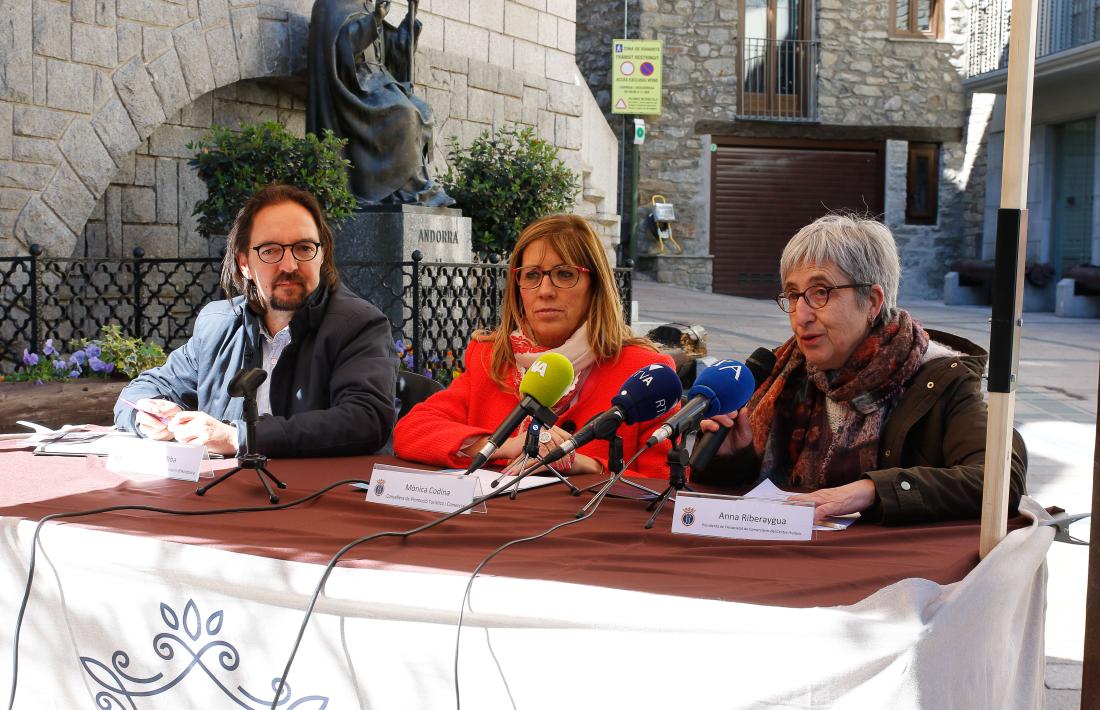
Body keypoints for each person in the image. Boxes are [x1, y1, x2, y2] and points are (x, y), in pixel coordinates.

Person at [697, 214, 1027, 524]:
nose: (801, 315)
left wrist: (872, 490)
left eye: (820, 293)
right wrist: (733, 457)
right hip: (785, 559)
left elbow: (999, 479)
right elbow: (748, 496)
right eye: (794, 295)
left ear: (872, 301)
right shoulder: (783, 370)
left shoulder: (940, 378)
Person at [114, 184, 397, 458]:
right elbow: (144, 388)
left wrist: (238, 437)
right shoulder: (218, 325)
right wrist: (145, 415)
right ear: (244, 264)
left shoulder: (358, 324)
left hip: (315, 497)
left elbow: (365, 419)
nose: (290, 265)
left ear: (322, 255)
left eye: (304, 247)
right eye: (271, 250)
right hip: (221, 493)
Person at [394, 214, 675, 478]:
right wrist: (505, 445)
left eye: (565, 274)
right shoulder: (491, 357)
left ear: (596, 285)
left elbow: (665, 482)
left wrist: (587, 465)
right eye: (531, 275)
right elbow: (411, 431)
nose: (545, 290)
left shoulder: (644, 370)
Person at [306, 0, 451, 207]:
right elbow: (342, 49)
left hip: (380, 81)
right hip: (354, 87)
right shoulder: (330, 5)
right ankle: (403, 190)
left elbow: (391, 52)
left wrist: (411, 16)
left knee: (423, 110)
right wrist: (374, 19)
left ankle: (413, 186)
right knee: (405, 113)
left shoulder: (366, 5)